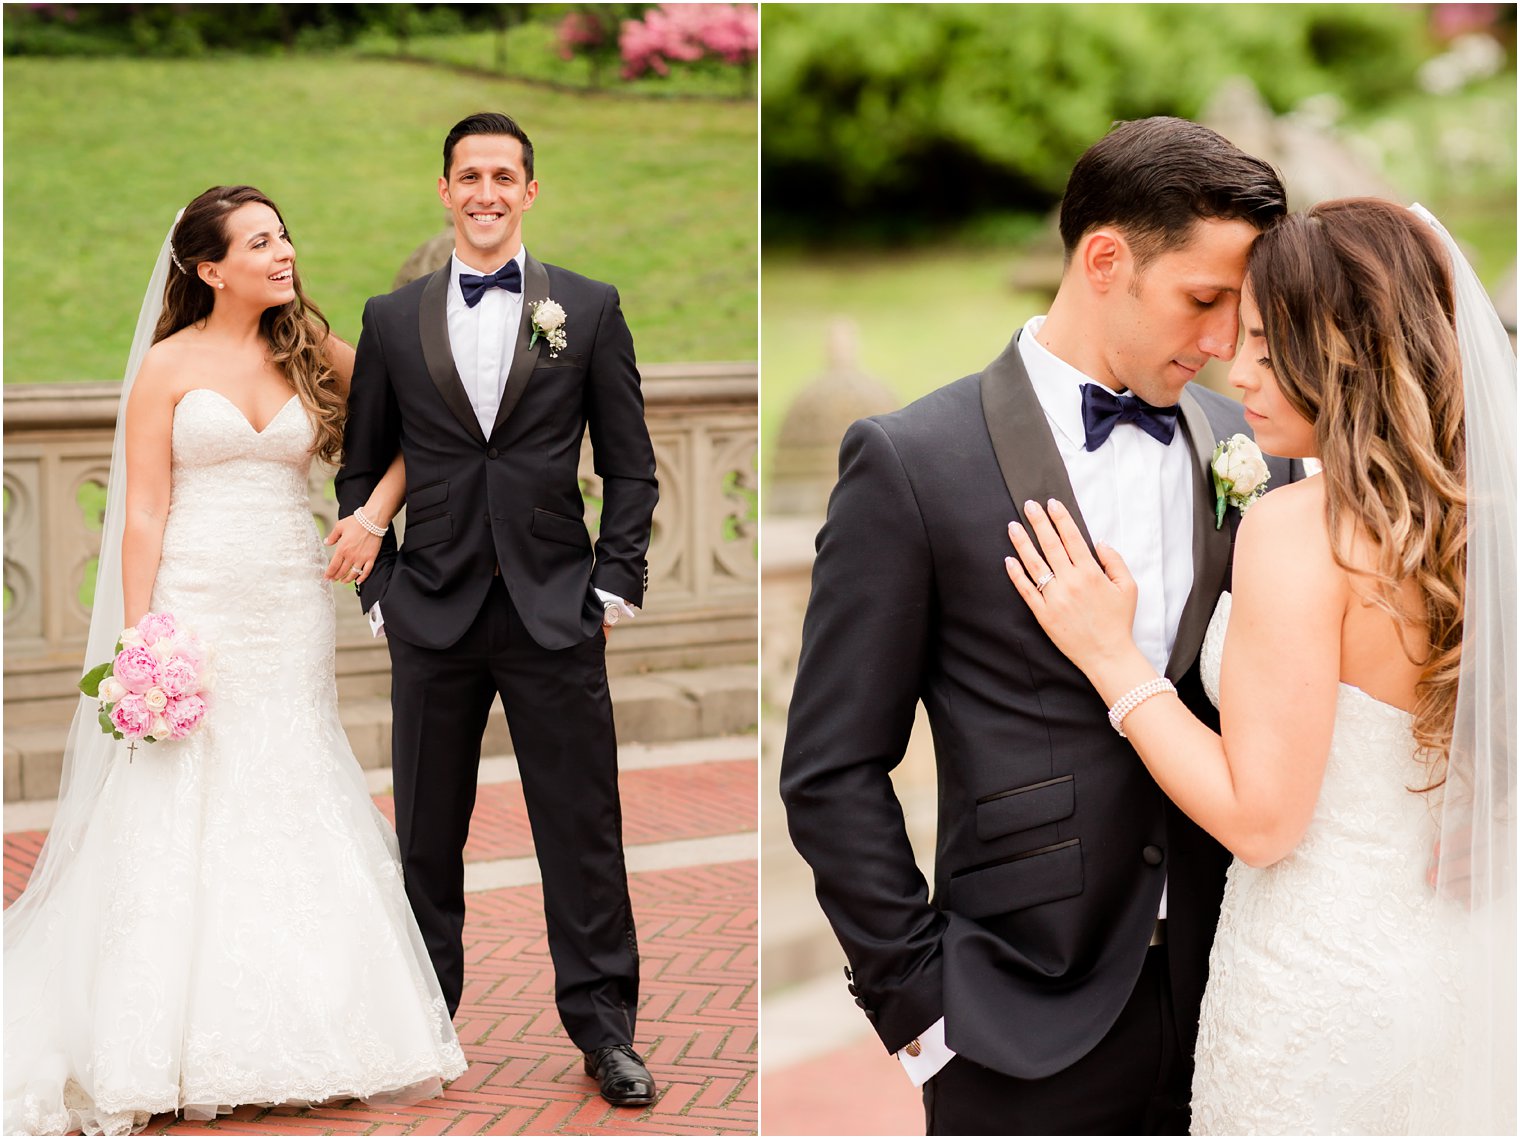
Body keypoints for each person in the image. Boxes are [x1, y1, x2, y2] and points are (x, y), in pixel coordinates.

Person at [779, 117, 1292, 1135]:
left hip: (1241, 995)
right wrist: (917, 1008)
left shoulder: (1255, 445)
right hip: (1014, 1022)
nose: (1224, 343)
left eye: (1239, 310)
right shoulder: (912, 460)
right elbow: (830, 767)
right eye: (1202, 300)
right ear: (1104, 258)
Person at [1005, 198, 1515, 1135]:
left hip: (1319, 988)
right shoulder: (1483, 517)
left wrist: (1114, 661)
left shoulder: (1298, 528)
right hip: (1461, 969)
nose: (1236, 373)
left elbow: (1263, 819)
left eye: (1273, 354)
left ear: (1353, 354)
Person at [3, 186, 466, 1137]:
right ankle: (164, 1039)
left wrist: (372, 515)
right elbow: (139, 512)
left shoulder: (316, 349)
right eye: (260, 241)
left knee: (291, 784)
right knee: (184, 807)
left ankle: (314, 1031)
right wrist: (142, 640)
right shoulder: (167, 367)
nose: (284, 250)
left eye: (284, 233)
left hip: (291, 607)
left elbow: (430, 428)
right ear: (211, 269)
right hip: (194, 606)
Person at [334, 112, 660, 1108]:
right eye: (467, 175)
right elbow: (359, 466)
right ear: (444, 190)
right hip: (428, 614)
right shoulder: (391, 321)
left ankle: (605, 1031)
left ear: (530, 190)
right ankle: (425, 1017)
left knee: (581, 830)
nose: (484, 190)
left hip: (553, 611)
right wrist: (381, 593)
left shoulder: (589, 310)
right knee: (426, 836)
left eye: (502, 175)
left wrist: (612, 584)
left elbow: (630, 464)